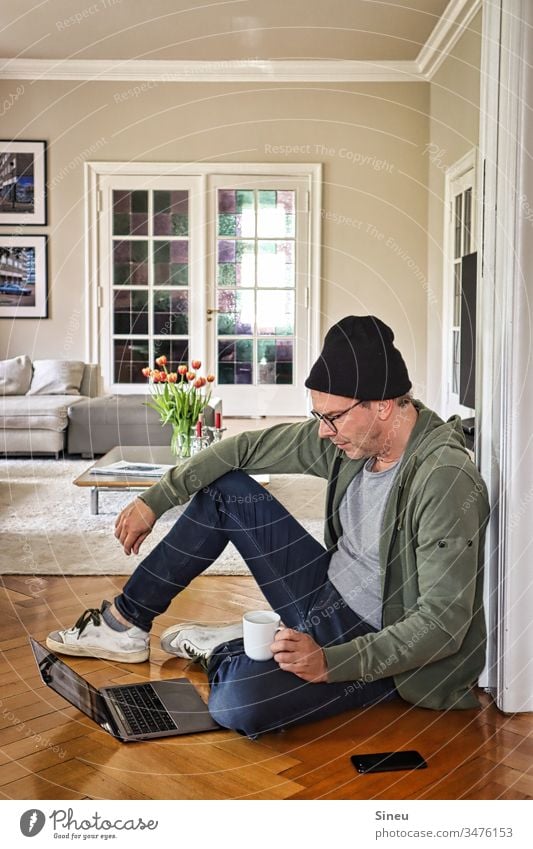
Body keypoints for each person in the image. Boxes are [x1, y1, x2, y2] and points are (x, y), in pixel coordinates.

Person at [47, 316, 490, 738]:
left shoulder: (444, 479)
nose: (322, 431)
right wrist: (158, 497)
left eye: (332, 417)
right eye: (319, 416)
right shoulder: (348, 440)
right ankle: (126, 623)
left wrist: (331, 664)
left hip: (378, 644)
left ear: (383, 406)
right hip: (323, 590)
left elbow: (441, 626)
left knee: (238, 705)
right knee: (227, 491)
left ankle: (229, 649)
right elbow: (245, 448)